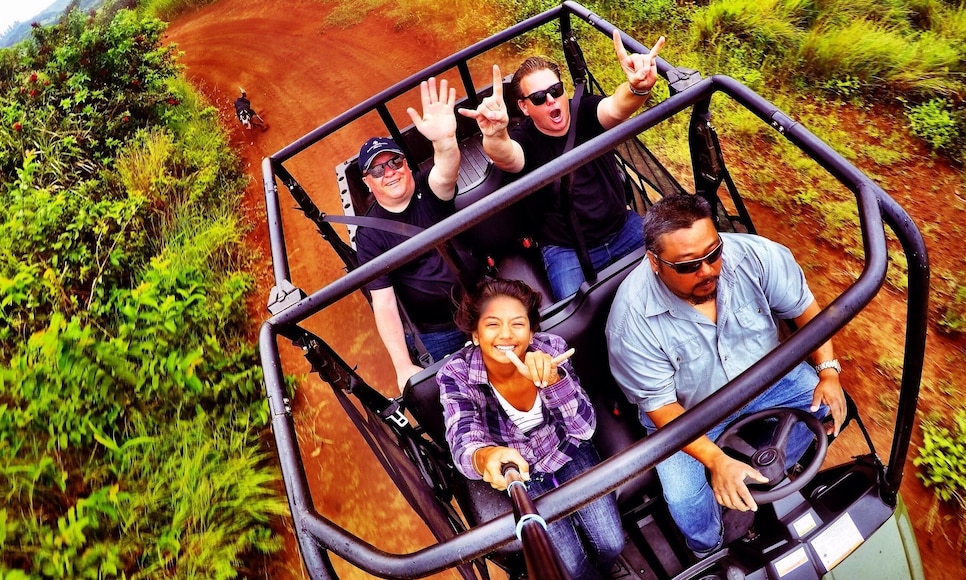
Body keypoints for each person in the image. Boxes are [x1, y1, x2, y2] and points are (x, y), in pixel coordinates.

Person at [605, 194, 848, 558]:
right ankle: (709, 550)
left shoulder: (756, 256)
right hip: (688, 415)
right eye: (688, 266)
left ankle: (766, 471)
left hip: (766, 381)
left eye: (713, 253)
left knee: (823, 405)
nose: (708, 271)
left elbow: (807, 312)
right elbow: (662, 410)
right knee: (686, 499)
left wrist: (828, 371)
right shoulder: (630, 322)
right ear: (654, 261)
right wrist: (716, 460)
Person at [438, 278, 624, 579]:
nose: (507, 335)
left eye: (518, 324)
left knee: (612, 543)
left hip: (567, 449)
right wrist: (487, 457)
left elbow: (584, 429)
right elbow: (463, 437)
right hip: (519, 471)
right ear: (474, 333)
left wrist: (553, 381)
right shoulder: (456, 374)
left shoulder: (553, 349)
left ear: (532, 329)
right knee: (571, 565)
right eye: (493, 325)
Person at [459, 31, 665, 300]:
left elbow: (615, 108)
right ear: (523, 107)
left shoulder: (584, 111)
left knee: (674, 266)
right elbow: (507, 156)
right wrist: (496, 134)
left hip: (621, 228)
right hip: (566, 248)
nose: (550, 100)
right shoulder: (525, 139)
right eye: (538, 98)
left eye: (555, 91)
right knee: (575, 318)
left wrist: (638, 86)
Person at [355, 77, 468, 393]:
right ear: (368, 182)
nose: (389, 172)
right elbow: (385, 303)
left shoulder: (427, 188)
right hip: (437, 329)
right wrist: (402, 365)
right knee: (458, 394)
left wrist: (445, 142)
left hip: (479, 300)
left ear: (406, 164)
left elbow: (446, 172)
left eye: (394, 162)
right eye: (378, 170)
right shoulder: (370, 235)